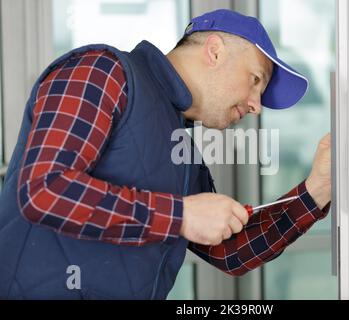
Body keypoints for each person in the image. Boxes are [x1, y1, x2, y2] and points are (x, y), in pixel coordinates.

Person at [0, 9, 331, 299]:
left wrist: (316, 191)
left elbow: (231, 251)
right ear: (214, 51)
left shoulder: (179, 144)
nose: (257, 106)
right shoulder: (102, 72)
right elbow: (43, 189)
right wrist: (182, 216)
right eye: (255, 80)